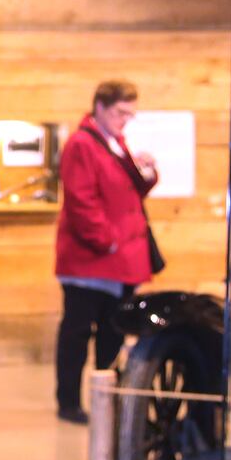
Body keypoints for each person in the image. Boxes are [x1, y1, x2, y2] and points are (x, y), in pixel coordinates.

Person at [54, 80, 158, 424]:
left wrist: (148, 172)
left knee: (113, 332)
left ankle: (105, 401)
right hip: (91, 262)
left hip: (120, 261)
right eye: (119, 112)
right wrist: (107, 241)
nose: (124, 119)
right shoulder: (83, 144)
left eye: (130, 113)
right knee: (78, 333)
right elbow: (82, 201)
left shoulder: (116, 142)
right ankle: (69, 402)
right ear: (99, 106)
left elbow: (130, 191)